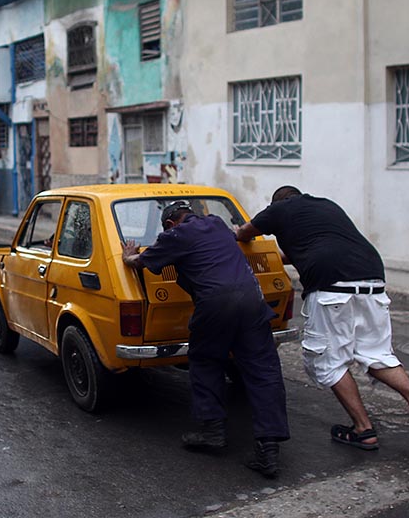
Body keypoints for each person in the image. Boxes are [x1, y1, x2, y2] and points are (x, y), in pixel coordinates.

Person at [235, 186, 409, 453]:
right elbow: (300, 253)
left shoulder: (279, 209)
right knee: (376, 353)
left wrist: (235, 237)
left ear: (278, 202)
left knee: (328, 361)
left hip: (332, 287)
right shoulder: (326, 207)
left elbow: (244, 233)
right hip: (372, 279)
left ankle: (363, 429)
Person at [122, 201, 290, 478]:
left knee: (206, 361)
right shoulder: (218, 224)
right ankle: (268, 450)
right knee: (263, 372)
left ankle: (213, 431)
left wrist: (128, 254)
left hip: (216, 305)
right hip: (252, 300)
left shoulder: (174, 236)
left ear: (169, 224)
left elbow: (142, 262)